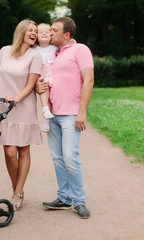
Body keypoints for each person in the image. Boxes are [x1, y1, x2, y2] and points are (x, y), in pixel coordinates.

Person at [36, 17, 94, 219]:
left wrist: (82, 111)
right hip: (53, 116)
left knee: (70, 158)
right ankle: (64, 197)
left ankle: (79, 201)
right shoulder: (55, 54)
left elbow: (89, 81)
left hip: (71, 115)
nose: (50, 33)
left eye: (54, 30)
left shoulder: (81, 50)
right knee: (58, 159)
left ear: (66, 34)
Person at [0, 19, 43, 211]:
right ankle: (15, 185)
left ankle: (18, 192)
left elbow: (30, 85)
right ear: (21, 32)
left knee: (23, 150)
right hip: (4, 107)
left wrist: (16, 99)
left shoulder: (35, 56)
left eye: (35, 31)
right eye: (30, 30)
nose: (34, 33)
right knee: (9, 152)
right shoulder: (4, 51)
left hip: (23, 106)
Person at [35, 23, 58, 132]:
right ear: (37, 37)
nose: (44, 33)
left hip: (54, 74)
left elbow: (68, 46)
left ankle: (47, 121)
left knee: (52, 98)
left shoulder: (55, 48)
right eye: (40, 32)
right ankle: (45, 110)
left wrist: (73, 41)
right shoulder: (34, 49)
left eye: (47, 32)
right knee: (44, 88)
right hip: (42, 75)